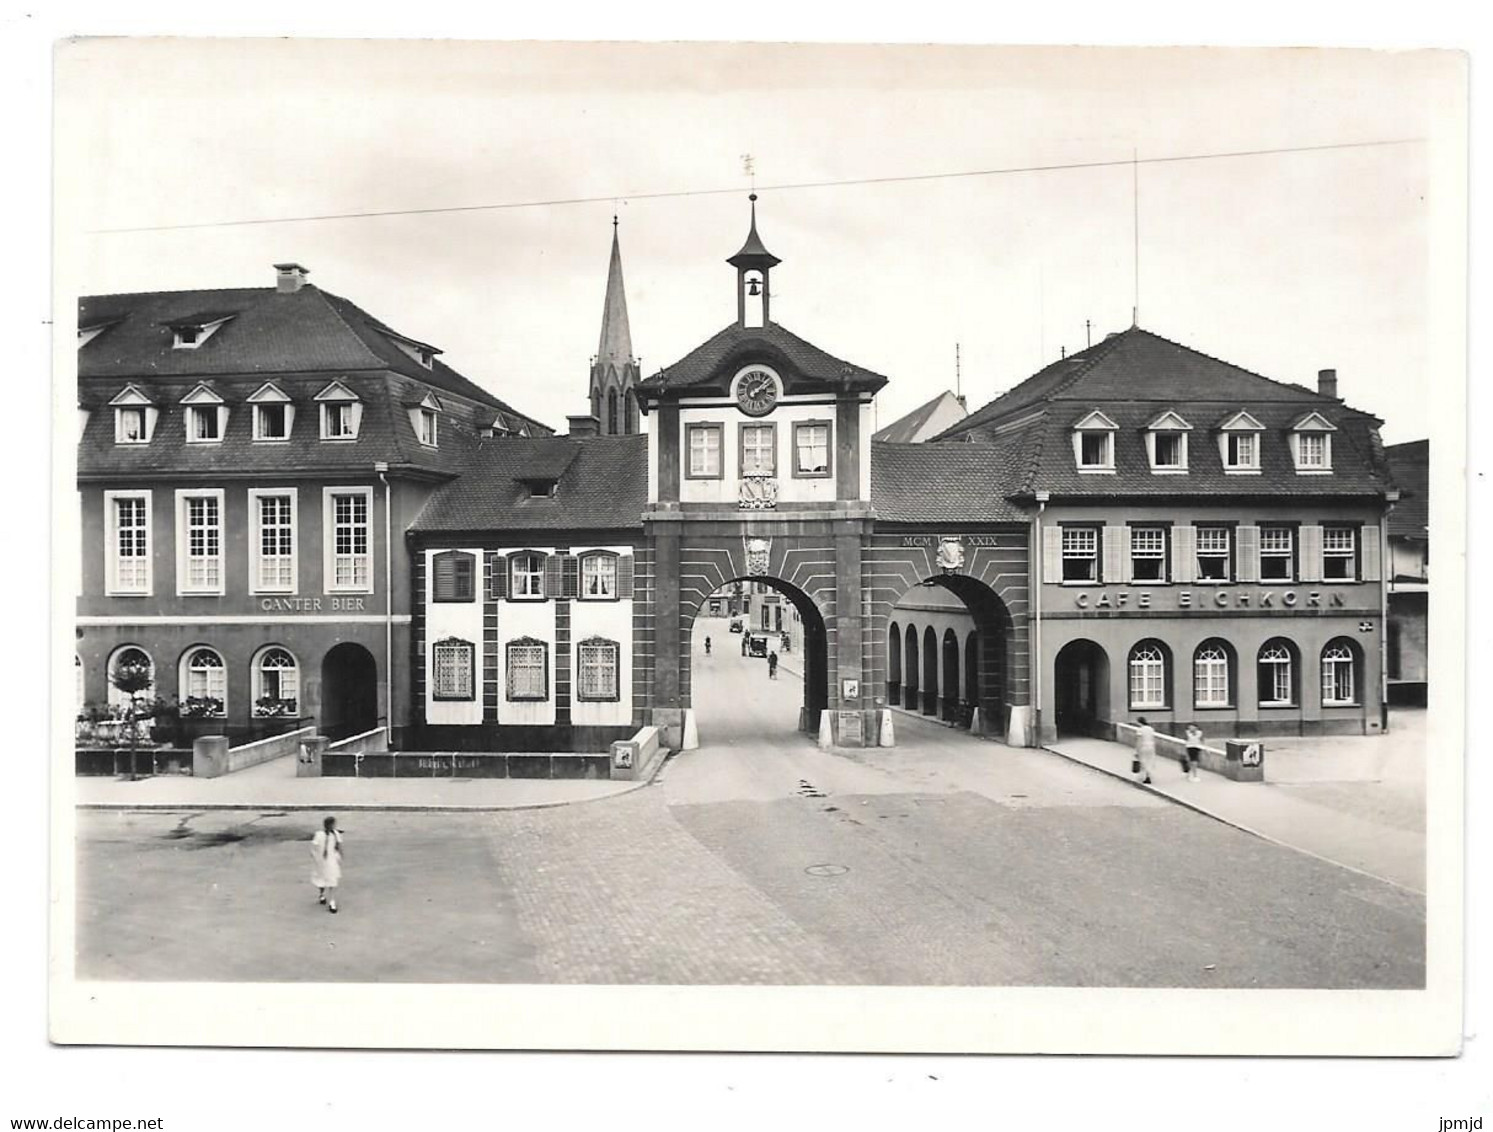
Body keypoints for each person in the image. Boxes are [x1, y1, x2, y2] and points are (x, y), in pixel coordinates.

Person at [310, 815, 343, 913]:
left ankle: (332, 901)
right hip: (321, 860)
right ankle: (322, 894)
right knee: (321, 878)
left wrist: (340, 856)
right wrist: (315, 857)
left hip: (331, 860)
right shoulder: (319, 835)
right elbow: (314, 847)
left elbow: (339, 846)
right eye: (332, 824)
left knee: (332, 879)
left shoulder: (336, 834)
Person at [1133, 717, 1157, 785]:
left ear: (1139, 722)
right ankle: (1148, 775)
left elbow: (1139, 741)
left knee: (1143, 761)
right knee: (1149, 761)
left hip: (1143, 747)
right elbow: (1153, 738)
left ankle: (1144, 777)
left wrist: (1137, 751)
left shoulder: (1140, 730)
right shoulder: (1151, 729)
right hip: (1151, 746)